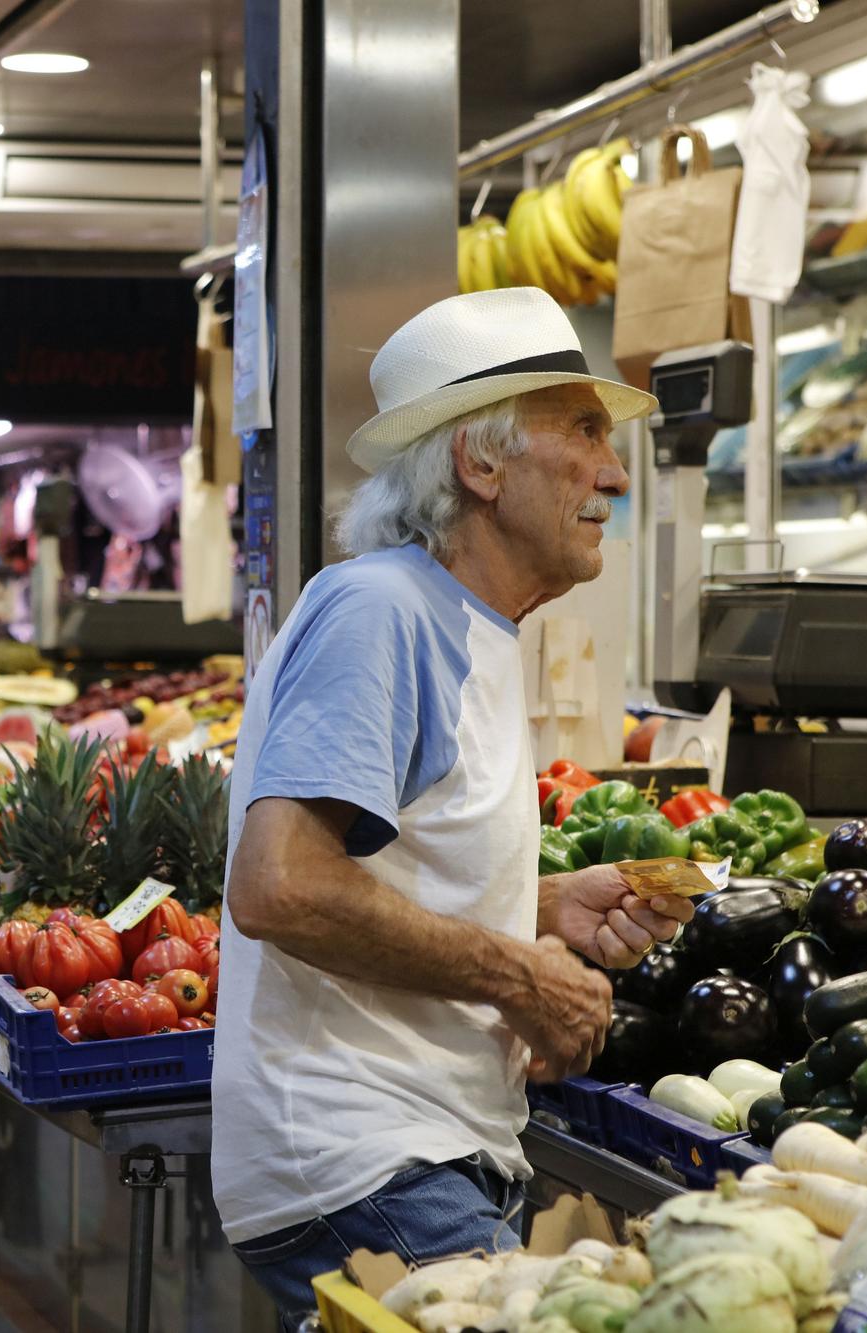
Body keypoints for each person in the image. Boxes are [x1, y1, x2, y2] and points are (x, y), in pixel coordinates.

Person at [214, 288, 698, 1328]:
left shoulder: (465, 624)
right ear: (478, 466)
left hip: (417, 1153)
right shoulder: (379, 609)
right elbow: (280, 887)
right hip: (364, 1159)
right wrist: (516, 972)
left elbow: (386, 875)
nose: (613, 472)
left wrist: (539, 902)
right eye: (580, 432)